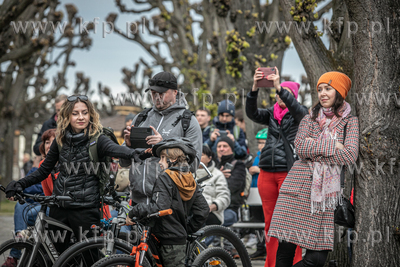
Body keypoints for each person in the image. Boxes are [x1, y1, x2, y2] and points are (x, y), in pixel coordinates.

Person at [5, 95, 141, 255]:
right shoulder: (60, 140)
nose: (81, 117)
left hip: (85, 211)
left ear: (90, 114)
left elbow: (117, 150)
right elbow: (43, 170)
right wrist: (19, 184)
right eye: (75, 113)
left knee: (91, 259)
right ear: (67, 115)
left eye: (85, 112)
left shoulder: (98, 139)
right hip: (59, 209)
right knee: (61, 258)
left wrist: (139, 153)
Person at [268, 72, 359, 267]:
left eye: (328, 88)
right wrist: (334, 145)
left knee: (316, 260)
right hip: (296, 190)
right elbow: (300, 148)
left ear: (340, 92)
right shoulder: (309, 118)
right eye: (319, 89)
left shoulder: (350, 122)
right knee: (285, 253)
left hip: (325, 198)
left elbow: (349, 155)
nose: (323, 93)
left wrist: (314, 145)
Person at [246, 67, 307, 267]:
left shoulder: (301, 114)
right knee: (270, 223)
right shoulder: (272, 113)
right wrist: (254, 88)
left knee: (291, 222)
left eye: (284, 93)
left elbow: (297, 109)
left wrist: (280, 87)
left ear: (292, 96)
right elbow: (252, 113)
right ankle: (271, 264)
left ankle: (295, 262)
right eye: (277, 93)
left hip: (288, 173)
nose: (280, 97)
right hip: (266, 173)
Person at [120, 71, 202, 205]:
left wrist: (163, 145)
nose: (157, 97)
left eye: (161, 93)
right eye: (153, 93)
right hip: (137, 201)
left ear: (175, 92)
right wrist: (128, 147)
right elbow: (123, 163)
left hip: (170, 201)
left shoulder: (188, 121)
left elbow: (193, 165)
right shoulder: (141, 118)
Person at [126, 138, 209, 267]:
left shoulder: (166, 177)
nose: (159, 162)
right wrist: (185, 229)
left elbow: (159, 207)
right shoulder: (190, 178)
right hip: (179, 239)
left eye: (163, 157)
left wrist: (135, 211)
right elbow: (203, 210)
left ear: (173, 159)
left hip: (165, 238)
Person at [2, 159, 43, 267]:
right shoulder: (37, 164)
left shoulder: (50, 165)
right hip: (32, 202)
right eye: (46, 143)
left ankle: (14, 255)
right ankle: (20, 239)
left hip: (44, 203)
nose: (48, 146)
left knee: (27, 215)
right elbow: (25, 181)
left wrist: (23, 189)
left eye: (50, 142)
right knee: (20, 205)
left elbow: (40, 188)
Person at [247, 128, 268, 259]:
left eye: (263, 142)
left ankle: (268, 248)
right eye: (259, 142)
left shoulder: (270, 156)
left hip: (266, 194)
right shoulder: (257, 156)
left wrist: (259, 169)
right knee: (257, 223)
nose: (261, 145)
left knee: (266, 222)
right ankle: (260, 248)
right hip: (255, 194)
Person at [196, 145, 230, 226]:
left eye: (201, 155)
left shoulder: (217, 174)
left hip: (212, 213)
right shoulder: (188, 173)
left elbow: (224, 197)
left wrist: (211, 207)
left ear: (209, 158)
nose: (197, 157)